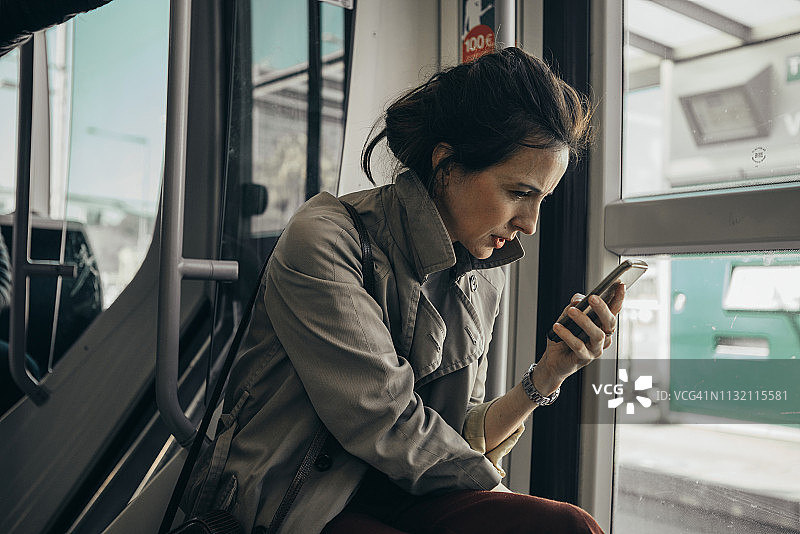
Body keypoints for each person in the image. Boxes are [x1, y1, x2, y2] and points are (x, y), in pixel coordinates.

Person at [185, 47, 624, 534]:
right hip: (300, 500)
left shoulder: (484, 271)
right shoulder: (327, 239)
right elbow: (387, 421)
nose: (530, 224)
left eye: (542, 199)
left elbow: (456, 436)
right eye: (519, 193)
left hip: (407, 493)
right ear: (447, 164)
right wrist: (499, 496)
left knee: (568, 527)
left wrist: (547, 375)